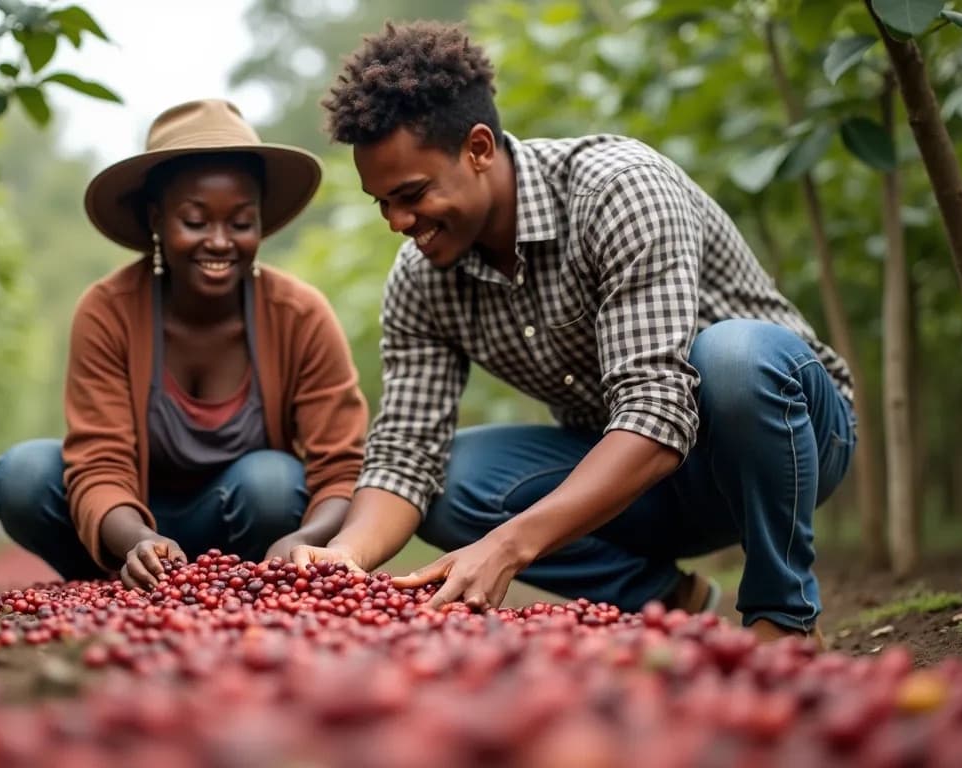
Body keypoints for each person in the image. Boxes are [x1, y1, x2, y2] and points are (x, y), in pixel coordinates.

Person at [290, 21, 857, 645]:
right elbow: (405, 454)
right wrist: (346, 555)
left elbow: (657, 409)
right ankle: (663, 597)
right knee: (446, 484)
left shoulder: (618, 189)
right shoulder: (421, 278)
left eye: (412, 194)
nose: (397, 221)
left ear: (478, 149)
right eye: (382, 202)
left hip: (783, 441)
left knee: (736, 357)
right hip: (637, 481)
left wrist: (508, 545)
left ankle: (782, 617)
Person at [0, 99, 368, 590]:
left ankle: (239, 588)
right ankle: (117, 582)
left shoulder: (299, 315)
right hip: (127, 529)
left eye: (241, 222)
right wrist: (138, 540)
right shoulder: (108, 310)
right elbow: (100, 460)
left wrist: (305, 539)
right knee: (24, 474)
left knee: (272, 482)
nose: (220, 241)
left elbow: (342, 467)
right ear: (156, 220)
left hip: (244, 524)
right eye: (195, 221)